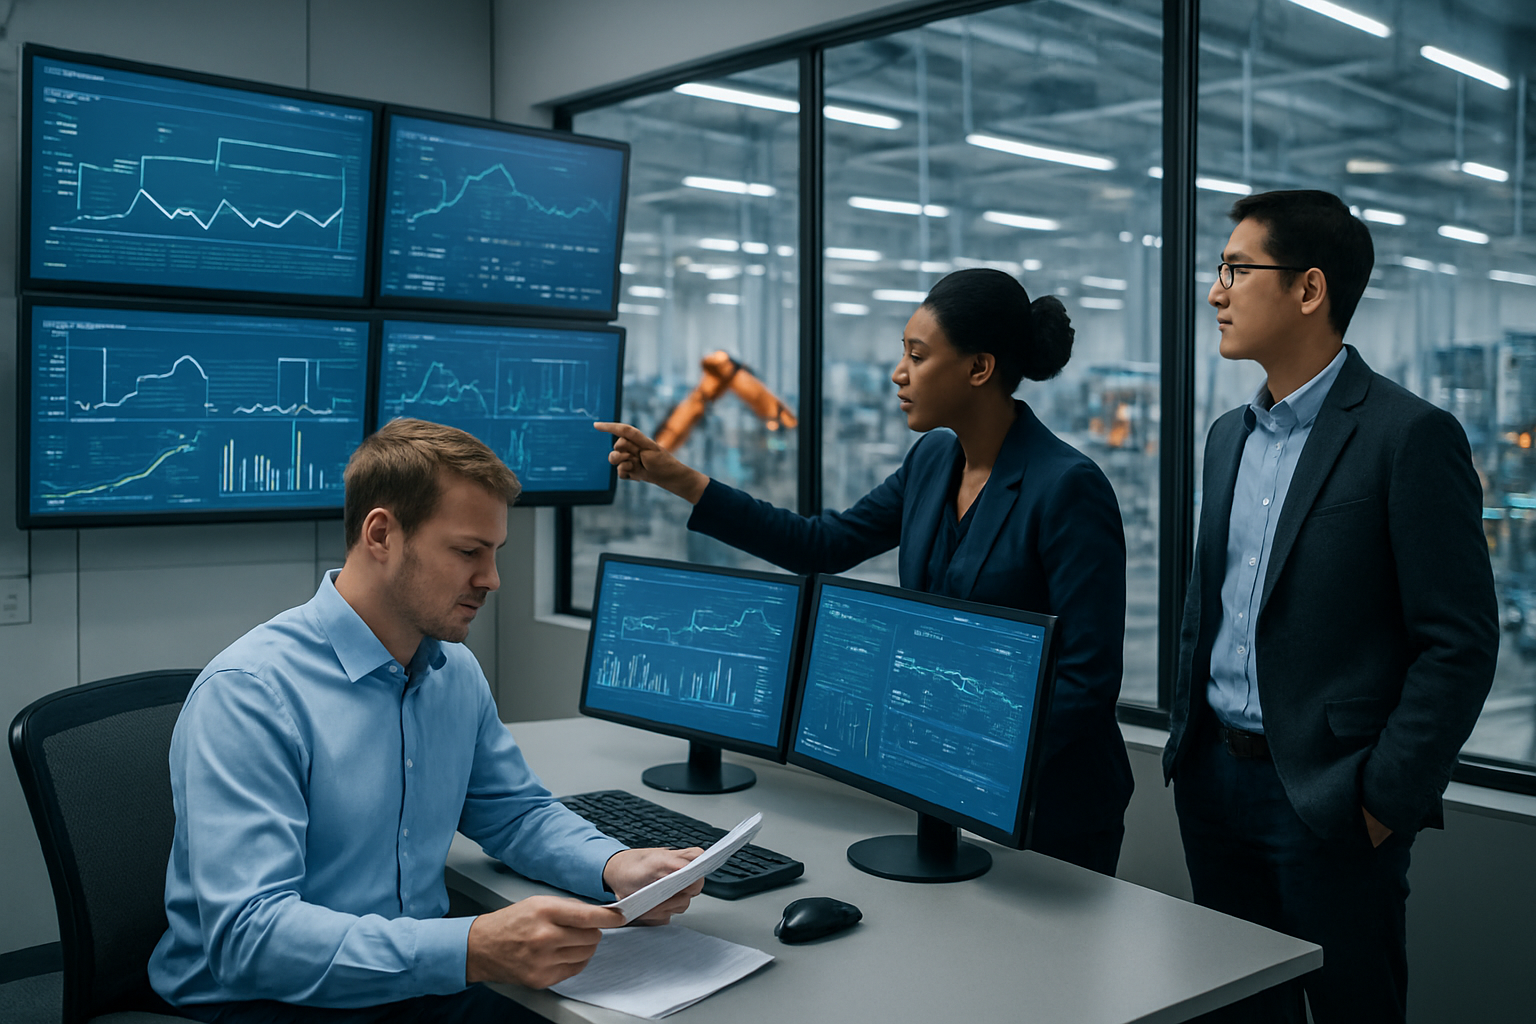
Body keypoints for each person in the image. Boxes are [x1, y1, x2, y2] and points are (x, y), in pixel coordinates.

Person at [149, 418, 704, 1023]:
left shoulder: (452, 672)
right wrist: (473, 948)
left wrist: (615, 865)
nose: (491, 579)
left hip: (405, 985)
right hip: (263, 1003)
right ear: (382, 534)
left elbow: (514, 812)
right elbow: (250, 938)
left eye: (494, 554)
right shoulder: (251, 695)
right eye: (468, 551)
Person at [598, 268, 1134, 875]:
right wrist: (681, 480)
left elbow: (1087, 682)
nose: (898, 373)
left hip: (1047, 803)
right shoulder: (932, 460)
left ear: (978, 368)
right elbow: (822, 545)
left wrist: (965, 762)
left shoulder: (1066, 487)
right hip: (945, 785)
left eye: (916, 354)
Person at [1162, 190, 1497, 1023]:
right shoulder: (1224, 438)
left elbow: (1458, 642)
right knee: (1233, 1010)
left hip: (1330, 801)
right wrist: (1187, 749)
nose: (1217, 292)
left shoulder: (1407, 436)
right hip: (1213, 786)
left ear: (1309, 290)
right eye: (1219, 270)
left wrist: (1384, 800)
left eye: (1237, 269)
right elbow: (1213, 607)